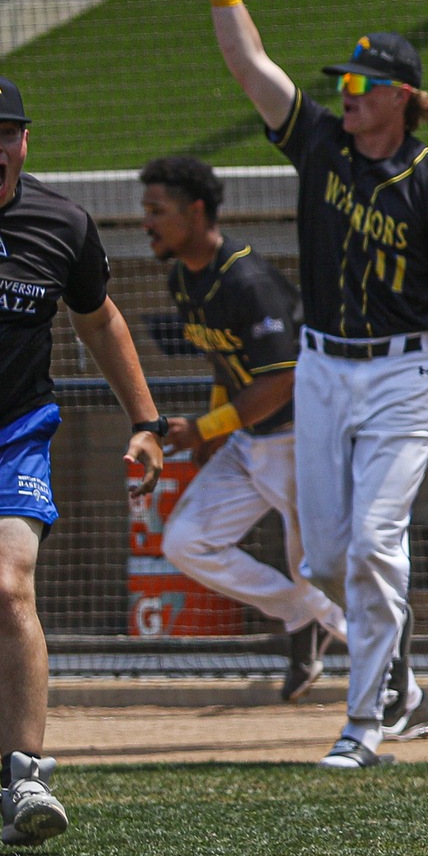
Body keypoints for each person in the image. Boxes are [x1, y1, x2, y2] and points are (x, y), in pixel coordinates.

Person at [199, 0, 428, 769]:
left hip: (405, 376)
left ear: (400, 97)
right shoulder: (321, 144)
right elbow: (250, 65)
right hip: (324, 368)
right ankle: (399, 678)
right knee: (323, 558)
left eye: (360, 85)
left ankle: (363, 723)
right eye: (342, 84)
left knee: (372, 542)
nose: (344, 95)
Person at [0, 73, 166, 843]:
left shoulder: (61, 224)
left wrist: (147, 422)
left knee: (3, 587)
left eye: (9, 131)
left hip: (4, 436)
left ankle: (24, 781)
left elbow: (99, 323)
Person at [140, 154, 347, 701]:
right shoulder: (184, 279)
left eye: (157, 210)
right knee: (186, 541)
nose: (147, 222)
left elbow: (281, 379)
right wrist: (213, 430)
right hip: (249, 437)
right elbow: (225, 361)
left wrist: (208, 426)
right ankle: (303, 619)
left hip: (303, 439)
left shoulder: (247, 278)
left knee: (320, 570)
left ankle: (401, 685)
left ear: (197, 211)